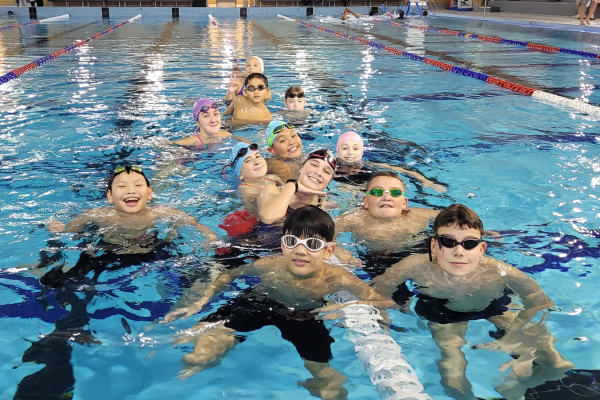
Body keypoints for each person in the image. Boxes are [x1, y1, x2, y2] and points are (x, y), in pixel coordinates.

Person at [162, 206, 395, 398]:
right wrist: (201, 301)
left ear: (328, 250)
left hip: (304, 317)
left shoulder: (338, 277)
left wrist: (343, 306)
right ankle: (202, 362)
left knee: (326, 379)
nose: (300, 251)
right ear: (283, 244)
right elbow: (229, 275)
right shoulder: (270, 265)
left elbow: (381, 300)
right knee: (202, 344)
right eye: (292, 241)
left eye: (313, 244)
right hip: (260, 301)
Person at [372, 204, 574, 400]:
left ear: (481, 249)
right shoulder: (415, 266)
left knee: (557, 365)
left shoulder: (499, 271)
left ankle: (515, 388)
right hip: (443, 312)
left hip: (494, 306)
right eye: (448, 242)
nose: (459, 251)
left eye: (469, 243)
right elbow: (379, 291)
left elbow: (540, 302)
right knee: (454, 380)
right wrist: (386, 319)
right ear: (434, 245)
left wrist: (518, 330)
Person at [47, 165, 217, 248]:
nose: (130, 191)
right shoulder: (97, 215)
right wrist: (59, 228)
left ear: (149, 193)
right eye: (121, 187)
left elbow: (191, 222)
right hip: (109, 251)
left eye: (137, 185)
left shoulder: (158, 212)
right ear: (110, 196)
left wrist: (209, 235)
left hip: (150, 249)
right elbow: (71, 229)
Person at [335, 131, 446, 193]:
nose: (350, 153)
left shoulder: (368, 165)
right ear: (337, 150)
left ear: (362, 152)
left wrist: (426, 181)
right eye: (344, 148)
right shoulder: (331, 166)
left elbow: (402, 170)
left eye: (355, 149)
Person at [259, 148, 336, 225]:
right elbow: (268, 219)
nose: (319, 172)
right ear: (301, 168)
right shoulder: (273, 191)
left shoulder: (324, 205)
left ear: (329, 181)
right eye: (314, 165)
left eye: (326, 171)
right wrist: (292, 185)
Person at [224, 142, 283, 216]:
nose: (256, 162)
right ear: (240, 175)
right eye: (248, 161)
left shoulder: (273, 178)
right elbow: (260, 214)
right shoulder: (246, 189)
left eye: (257, 156)